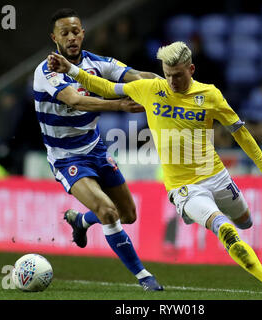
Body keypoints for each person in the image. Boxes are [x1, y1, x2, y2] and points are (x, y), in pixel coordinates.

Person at [48, 41, 262, 293]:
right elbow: (107, 87)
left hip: (217, 176)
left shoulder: (210, 95)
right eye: (167, 75)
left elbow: (239, 132)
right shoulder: (152, 88)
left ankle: (84, 220)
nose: (172, 81)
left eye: (177, 75)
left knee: (245, 222)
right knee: (225, 228)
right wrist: (72, 70)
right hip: (184, 188)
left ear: (191, 69)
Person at [33, 8, 163, 291]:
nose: (71, 38)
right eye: (64, 33)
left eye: (75, 31)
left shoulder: (96, 63)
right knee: (107, 211)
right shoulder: (46, 71)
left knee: (128, 214)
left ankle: (80, 220)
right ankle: (145, 277)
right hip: (66, 158)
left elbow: (135, 75)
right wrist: (119, 104)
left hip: (96, 149)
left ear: (83, 33)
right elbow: (76, 101)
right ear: (53, 37)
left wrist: (167, 85)